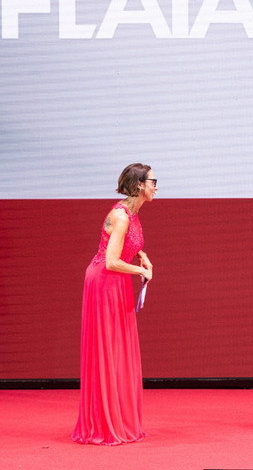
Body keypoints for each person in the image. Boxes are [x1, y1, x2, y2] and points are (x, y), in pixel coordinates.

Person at [71, 163, 157, 445]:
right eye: (153, 181)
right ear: (139, 186)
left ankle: (117, 417)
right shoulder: (120, 216)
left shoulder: (132, 213)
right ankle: (104, 424)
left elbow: (123, 245)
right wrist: (141, 271)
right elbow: (111, 260)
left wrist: (141, 254)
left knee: (119, 350)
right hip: (104, 283)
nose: (156, 186)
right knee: (108, 350)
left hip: (116, 283)